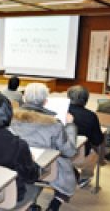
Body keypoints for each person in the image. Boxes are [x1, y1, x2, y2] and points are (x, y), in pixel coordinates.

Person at [11, 83, 77, 211]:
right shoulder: (54, 123)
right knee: (71, 171)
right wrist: (70, 126)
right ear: (45, 101)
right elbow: (69, 152)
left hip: (18, 163)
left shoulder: (11, 118)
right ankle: (55, 204)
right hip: (46, 168)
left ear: (24, 98)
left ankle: (31, 203)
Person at [67, 85, 104, 187]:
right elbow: (97, 140)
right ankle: (84, 177)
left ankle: (70, 172)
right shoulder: (91, 116)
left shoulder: (59, 111)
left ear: (68, 97)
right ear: (86, 100)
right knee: (94, 152)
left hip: (56, 156)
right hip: (78, 157)